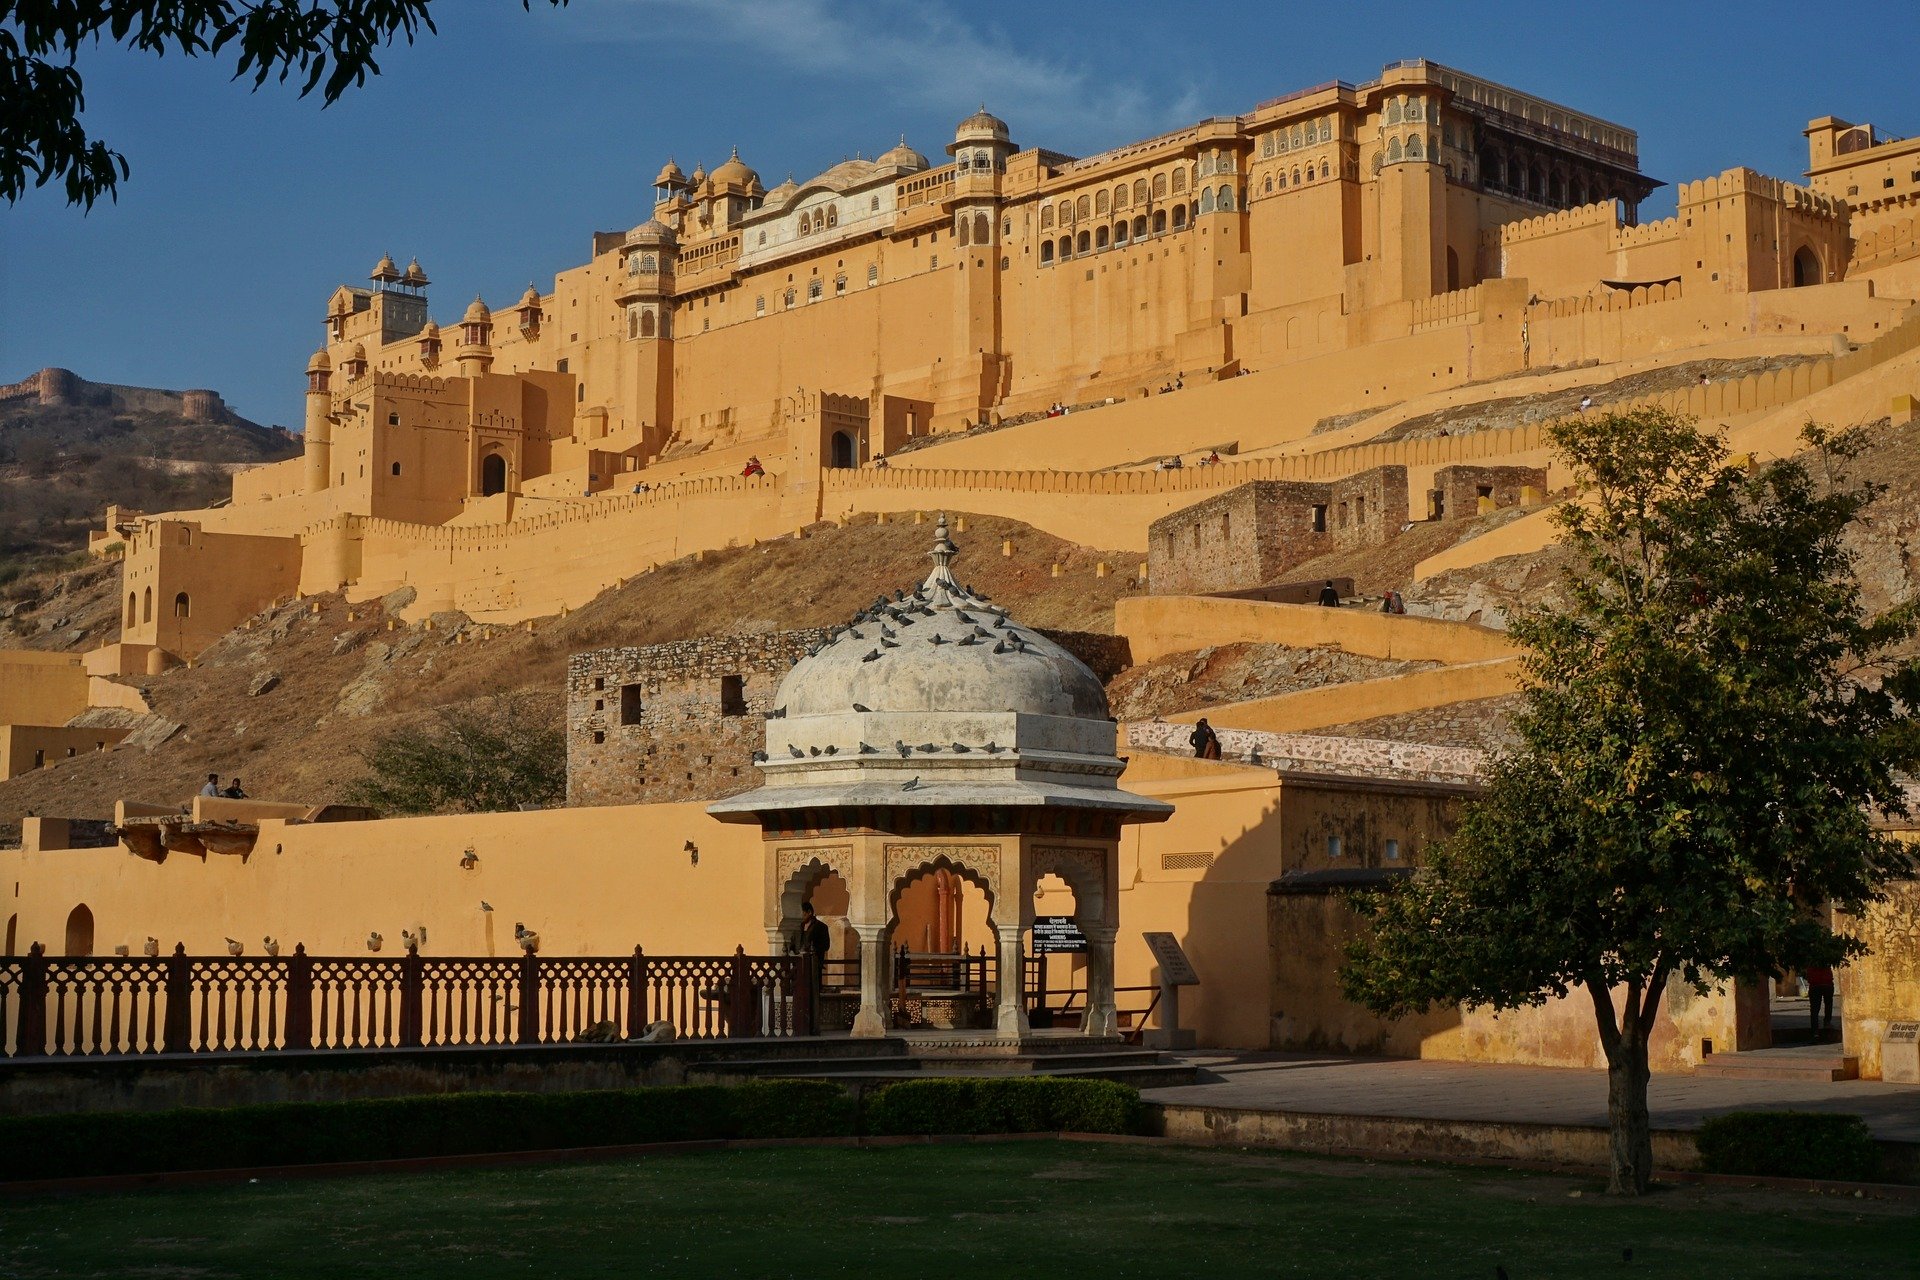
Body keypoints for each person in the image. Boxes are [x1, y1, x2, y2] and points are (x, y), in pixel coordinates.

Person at [1805, 962, 1836, 1036]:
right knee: (1828, 1004)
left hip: (1815, 984)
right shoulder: (1826, 955)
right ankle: (1827, 1023)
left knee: (1814, 1009)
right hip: (1826, 983)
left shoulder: (1809, 957)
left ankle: (1815, 1032)